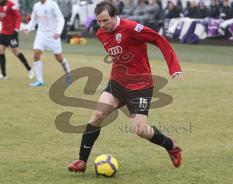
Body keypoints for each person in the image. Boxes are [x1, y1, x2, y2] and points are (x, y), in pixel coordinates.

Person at [68, 1, 183, 173]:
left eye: (105, 20)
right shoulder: (101, 33)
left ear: (115, 16)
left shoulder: (132, 28)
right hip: (117, 82)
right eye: (98, 21)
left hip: (140, 85)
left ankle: (171, 145)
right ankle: (81, 161)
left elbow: (158, 39)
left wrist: (174, 67)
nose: (101, 25)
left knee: (140, 130)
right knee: (98, 114)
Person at [24, 0, 71, 87]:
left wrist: (58, 31)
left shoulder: (52, 4)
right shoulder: (36, 6)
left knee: (59, 58)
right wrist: (28, 28)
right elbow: (33, 20)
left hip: (53, 35)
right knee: (36, 53)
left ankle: (68, 74)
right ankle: (39, 81)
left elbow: (61, 18)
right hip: (41, 34)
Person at [0, 0, 34, 80]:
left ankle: (29, 70)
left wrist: (17, 28)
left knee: (16, 52)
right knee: (0, 50)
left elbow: (18, 16)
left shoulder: (11, 4)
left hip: (12, 32)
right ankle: (4, 75)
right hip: (4, 32)